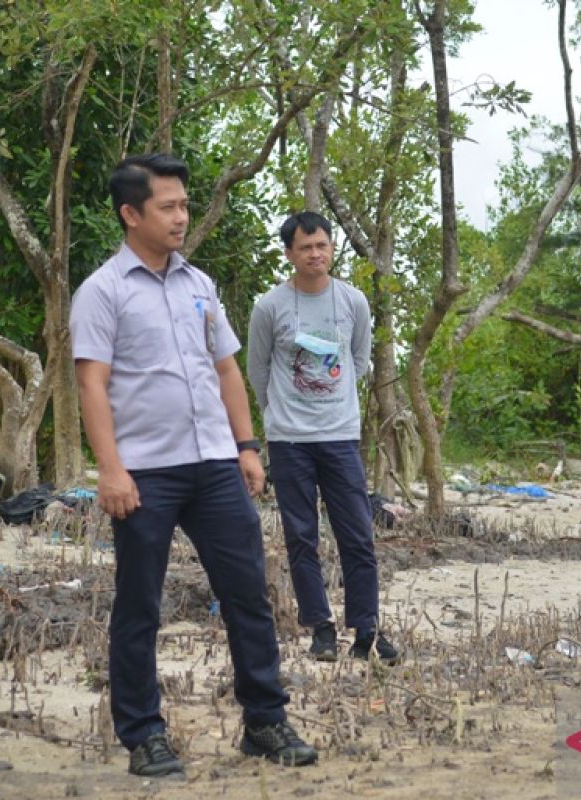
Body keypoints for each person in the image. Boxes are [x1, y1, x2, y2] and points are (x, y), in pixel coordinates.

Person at [70, 154, 318, 777]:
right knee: (139, 607)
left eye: (184, 204)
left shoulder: (198, 284)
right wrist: (110, 469)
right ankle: (144, 735)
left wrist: (247, 445)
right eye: (167, 207)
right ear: (131, 214)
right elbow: (92, 386)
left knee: (248, 596)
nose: (181, 217)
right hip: (145, 473)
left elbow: (226, 368)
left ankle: (264, 720)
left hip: (214, 465)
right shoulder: (103, 291)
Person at [247, 212, 398, 665]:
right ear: (290, 253)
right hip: (290, 439)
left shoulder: (352, 302)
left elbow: (359, 360)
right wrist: (276, 415)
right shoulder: (270, 306)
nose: (315, 254)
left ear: (332, 248)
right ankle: (322, 629)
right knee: (300, 536)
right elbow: (257, 370)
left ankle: (366, 629)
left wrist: (335, 408)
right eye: (305, 247)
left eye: (322, 246)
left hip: (340, 436)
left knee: (357, 535)